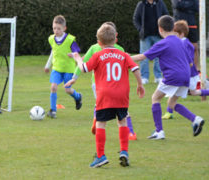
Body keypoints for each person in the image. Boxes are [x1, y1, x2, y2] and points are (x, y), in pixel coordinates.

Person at [72, 24, 145, 168]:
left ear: (99, 43)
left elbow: (84, 68)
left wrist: (78, 59)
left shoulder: (98, 55)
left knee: (101, 123)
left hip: (105, 94)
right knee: (122, 121)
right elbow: (135, 68)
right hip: (122, 95)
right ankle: (124, 151)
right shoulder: (123, 55)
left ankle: (100, 156)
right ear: (115, 39)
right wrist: (140, 85)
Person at [131, 15, 204, 140]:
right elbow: (190, 61)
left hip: (173, 76)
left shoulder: (163, 43)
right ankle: (195, 119)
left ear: (160, 29)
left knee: (155, 98)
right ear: (173, 27)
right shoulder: (181, 41)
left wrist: (125, 58)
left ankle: (159, 132)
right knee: (171, 103)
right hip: (186, 76)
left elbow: (143, 57)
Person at [65, 22, 138, 140]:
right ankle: (126, 132)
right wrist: (74, 77)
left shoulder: (118, 49)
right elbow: (84, 61)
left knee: (105, 106)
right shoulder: (95, 48)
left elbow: (82, 63)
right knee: (113, 107)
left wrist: (75, 74)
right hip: (100, 85)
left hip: (108, 85)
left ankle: (103, 124)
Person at [162, 20, 209, 119]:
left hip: (189, 74)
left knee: (191, 92)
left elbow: (188, 59)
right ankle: (169, 112)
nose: (173, 36)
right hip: (184, 74)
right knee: (179, 93)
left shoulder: (186, 44)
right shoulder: (180, 43)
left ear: (181, 34)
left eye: (175, 33)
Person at [44, 15, 82, 118]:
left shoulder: (70, 40)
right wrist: (47, 65)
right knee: (53, 87)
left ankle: (78, 97)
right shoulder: (51, 39)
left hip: (68, 70)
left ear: (64, 28)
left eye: (59, 28)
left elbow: (77, 53)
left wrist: (74, 56)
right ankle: (53, 111)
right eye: (54, 28)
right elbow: (53, 51)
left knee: (67, 90)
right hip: (56, 68)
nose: (56, 31)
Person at [133, 0, 169, 84]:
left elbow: (166, 16)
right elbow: (135, 19)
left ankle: (158, 77)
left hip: (158, 35)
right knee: (143, 56)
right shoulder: (141, 4)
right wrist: (140, 29)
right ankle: (144, 77)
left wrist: (164, 29)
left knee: (159, 57)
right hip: (145, 36)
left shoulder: (160, 3)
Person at [172, 0, 200, 70]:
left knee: (195, 48)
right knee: (177, 47)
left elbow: (197, 8)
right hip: (179, 24)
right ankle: (178, 67)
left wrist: (184, 5)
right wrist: (190, 4)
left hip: (191, 24)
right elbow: (177, 5)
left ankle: (196, 68)